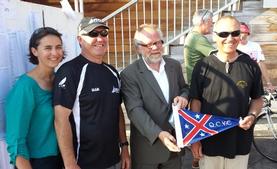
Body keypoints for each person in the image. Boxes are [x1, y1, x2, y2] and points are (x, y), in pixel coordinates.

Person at [53, 17, 130, 169]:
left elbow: (117, 110)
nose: (100, 38)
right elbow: (60, 120)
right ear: (80, 40)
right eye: (93, 34)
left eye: (103, 33)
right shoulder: (69, 71)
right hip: (83, 163)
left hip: (114, 161)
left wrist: (125, 147)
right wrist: (69, 163)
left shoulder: (112, 72)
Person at [189, 16, 264, 169]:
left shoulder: (250, 65)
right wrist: (195, 139)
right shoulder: (203, 66)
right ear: (214, 35)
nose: (230, 38)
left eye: (235, 33)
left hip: (239, 143)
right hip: (208, 143)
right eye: (224, 34)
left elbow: (257, 99)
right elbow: (195, 102)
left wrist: (252, 115)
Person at [120, 24, 189, 169]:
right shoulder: (129, 74)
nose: (155, 47)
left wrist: (184, 97)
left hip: (175, 147)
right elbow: (134, 110)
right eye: (149, 44)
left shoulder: (174, 66)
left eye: (158, 42)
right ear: (138, 48)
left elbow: (184, 88)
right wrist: (159, 134)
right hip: (147, 150)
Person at [5, 27, 64, 169]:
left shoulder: (60, 81)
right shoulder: (25, 87)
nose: (55, 53)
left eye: (58, 47)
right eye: (48, 48)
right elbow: (16, 140)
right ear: (34, 51)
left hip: (60, 158)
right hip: (36, 162)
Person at [237, 22, 275, 91]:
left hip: (254, 79)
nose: (242, 35)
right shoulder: (234, 47)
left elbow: (261, 64)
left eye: (244, 32)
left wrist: (268, 83)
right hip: (239, 79)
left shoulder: (255, 46)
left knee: (257, 100)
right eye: (240, 33)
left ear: (247, 33)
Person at [184, 9, 214, 84]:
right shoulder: (197, 38)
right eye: (210, 21)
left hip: (197, 82)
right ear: (202, 22)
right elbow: (219, 56)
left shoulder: (193, 36)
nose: (212, 24)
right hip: (199, 86)